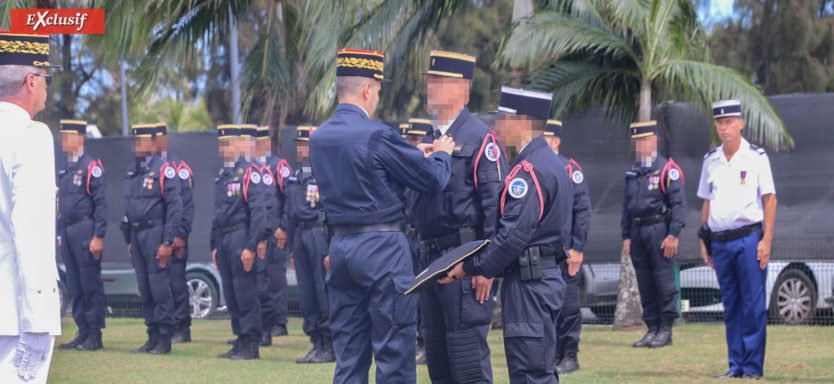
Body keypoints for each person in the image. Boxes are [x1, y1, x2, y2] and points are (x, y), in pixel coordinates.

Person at [309, 48, 454, 383]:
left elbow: (361, 172)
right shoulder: (377, 134)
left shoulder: (319, 138)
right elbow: (433, 179)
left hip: (341, 248)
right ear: (367, 89)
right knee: (394, 355)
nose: (377, 97)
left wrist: (411, 153)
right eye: (377, 90)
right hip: (382, 249)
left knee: (349, 357)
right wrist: (442, 155)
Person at [441, 86, 573, 384]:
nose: (497, 126)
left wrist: (471, 267)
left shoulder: (529, 170)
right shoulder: (549, 162)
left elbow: (513, 236)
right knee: (538, 370)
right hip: (540, 278)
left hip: (529, 284)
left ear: (522, 121)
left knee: (529, 373)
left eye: (503, 119)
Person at [412, 50, 507, 384]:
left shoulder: (480, 137)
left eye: (439, 81)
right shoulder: (427, 140)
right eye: (430, 80)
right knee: (438, 362)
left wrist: (486, 266)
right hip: (429, 259)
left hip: (464, 260)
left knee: (467, 364)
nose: (430, 88)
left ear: (462, 89)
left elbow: (495, 207)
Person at [698, 99, 776, 380]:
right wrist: (704, 241)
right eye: (720, 123)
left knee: (753, 305)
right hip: (720, 242)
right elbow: (707, 202)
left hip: (748, 239)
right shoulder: (711, 160)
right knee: (731, 305)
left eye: (729, 121)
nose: (724, 127)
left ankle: (752, 367)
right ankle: (736, 365)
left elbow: (770, 199)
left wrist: (766, 241)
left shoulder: (755, 157)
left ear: (741, 123)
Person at [0, 31, 62, 383]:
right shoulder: (31, 135)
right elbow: (31, 230)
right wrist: (38, 322)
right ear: (30, 81)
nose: (46, 88)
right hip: (15, 315)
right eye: (46, 79)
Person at [621, 120, 686, 349]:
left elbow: (679, 205)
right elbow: (626, 206)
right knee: (645, 282)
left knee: (663, 280)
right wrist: (626, 236)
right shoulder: (633, 171)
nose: (641, 145)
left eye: (645, 141)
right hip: (637, 232)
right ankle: (652, 328)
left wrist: (673, 234)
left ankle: (665, 329)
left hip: (659, 231)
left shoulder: (667, 169)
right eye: (637, 142)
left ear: (654, 141)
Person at [122, 123, 182, 355]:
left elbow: (175, 207)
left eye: (142, 141)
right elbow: (130, 207)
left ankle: (165, 337)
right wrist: (129, 239)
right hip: (137, 236)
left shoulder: (165, 170)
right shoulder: (132, 171)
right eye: (135, 141)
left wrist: (167, 242)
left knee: (159, 287)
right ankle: (152, 335)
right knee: (145, 288)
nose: (137, 146)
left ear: (152, 143)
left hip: (155, 234)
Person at [211, 124, 267, 360]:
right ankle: (240, 339)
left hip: (240, 237)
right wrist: (213, 246)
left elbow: (259, 214)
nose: (224, 148)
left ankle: (251, 343)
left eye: (228, 144)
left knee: (245, 292)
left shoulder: (249, 172)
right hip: (223, 239)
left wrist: (250, 247)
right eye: (221, 144)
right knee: (231, 293)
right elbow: (217, 213)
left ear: (238, 145)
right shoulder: (222, 176)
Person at [543, 120, 592, 374]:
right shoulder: (534, 166)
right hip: (544, 251)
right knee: (547, 304)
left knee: (568, 304)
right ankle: (553, 355)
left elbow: (582, 211)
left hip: (566, 250)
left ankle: (570, 354)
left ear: (557, 141)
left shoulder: (569, 169)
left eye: (546, 138)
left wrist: (578, 247)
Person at [56, 120, 109, 352]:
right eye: (62, 137)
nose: (63, 141)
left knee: (90, 284)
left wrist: (98, 235)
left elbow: (102, 204)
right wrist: (59, 234)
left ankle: (95, 335)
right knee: (75, 286)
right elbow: (61, 204)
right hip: (67, 231)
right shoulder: (65, 169)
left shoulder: (91, 167)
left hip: (85, 230)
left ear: (79, 138)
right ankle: (83, 332)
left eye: (67, 137)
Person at [284, 125, 334, 363]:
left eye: (305, 144)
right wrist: (291, 249)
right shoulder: (295, 177)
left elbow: (332, 210)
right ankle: (316, 341)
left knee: (322, 289)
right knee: (306, 291)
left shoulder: (326, 172)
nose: (301, 149)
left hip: (318, 233)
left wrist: (330, 247)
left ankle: (330, 343)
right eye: (299, 144)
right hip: (300, 235)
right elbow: (288, 213)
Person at [154, 122, 196, 344]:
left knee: (176, 283)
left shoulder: (178, 167)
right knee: (160, 284)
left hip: (175, 236)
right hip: (155, 236)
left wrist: (180, 235)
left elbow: (186, 206)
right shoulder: (148, 167)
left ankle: (182, 327)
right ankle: (165, 327)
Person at [251, 125, 291, 346]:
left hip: (276, 232)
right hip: (259, 232)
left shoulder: (278, 166)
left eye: (259, 143)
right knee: (259, 278)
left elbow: (289, 198)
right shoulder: (250, 167)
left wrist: (283, 226)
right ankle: (260, 323)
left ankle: (279, 322)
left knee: (275, 277)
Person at [403, 118, 433, 365]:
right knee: (409, 290)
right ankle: (414, 338)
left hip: (424, 238)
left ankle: (425, 340)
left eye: (416, 139)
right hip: (407, 236)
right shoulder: (405, 167)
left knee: (426, 291)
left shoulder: (429, 166)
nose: (412, 143)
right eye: (409, 139)